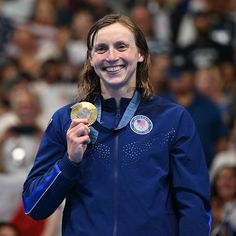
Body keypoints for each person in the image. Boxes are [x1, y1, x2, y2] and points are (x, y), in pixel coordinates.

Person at [22, 14, 211, 235]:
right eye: (101, 49)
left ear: (140, 54)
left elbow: (193, 204)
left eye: (121, 46)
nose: (111, 56)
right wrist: (69, 162)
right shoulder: (67, 120)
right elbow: (34, 206)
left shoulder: (172, 119)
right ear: (91, 59)